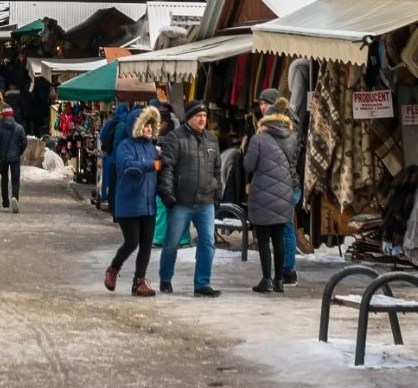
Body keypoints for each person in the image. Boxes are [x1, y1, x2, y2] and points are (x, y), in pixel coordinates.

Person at [157, 99, 224, 297]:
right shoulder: (175, 138)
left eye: (204, 116)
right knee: (172, 242)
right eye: (198, 116)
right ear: (189, 118)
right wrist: (167, 192)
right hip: (181, 201)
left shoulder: (212, 139)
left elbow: (217, 169)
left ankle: (202, 283)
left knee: (207, 243)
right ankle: (166, 278)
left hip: (206, 201)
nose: (202, 119)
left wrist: (217, 190)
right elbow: (167, 166)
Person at [240, 100, 301, 292]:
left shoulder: (259, 139)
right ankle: (280, 280)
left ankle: (266, 279)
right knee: (279, 236)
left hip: (263, 193)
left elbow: (249, 165)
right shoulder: (292, 137)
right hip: (285, 192)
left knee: (264, 238)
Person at [104, 105, 163, 296]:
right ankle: (113, 268)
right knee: (132, 242)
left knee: (146, 244)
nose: (149, 129)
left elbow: (159, 174)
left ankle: (139, 282)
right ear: (137, 126)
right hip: (129, 204)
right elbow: (129, 167)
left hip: (148, 204)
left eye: (151, 125)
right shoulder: (125, 146)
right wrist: (152, 165)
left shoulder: (153, 149)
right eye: (145, 125)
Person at [0, 106, 27, 209]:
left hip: (3, 157)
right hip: (15, 158)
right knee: (15, 179)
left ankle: (5, 204)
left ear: (3, 116)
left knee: (4, 180)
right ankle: (15, 197)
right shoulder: (19, 127)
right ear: (12, 115)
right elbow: (24, 142)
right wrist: (19, 152)